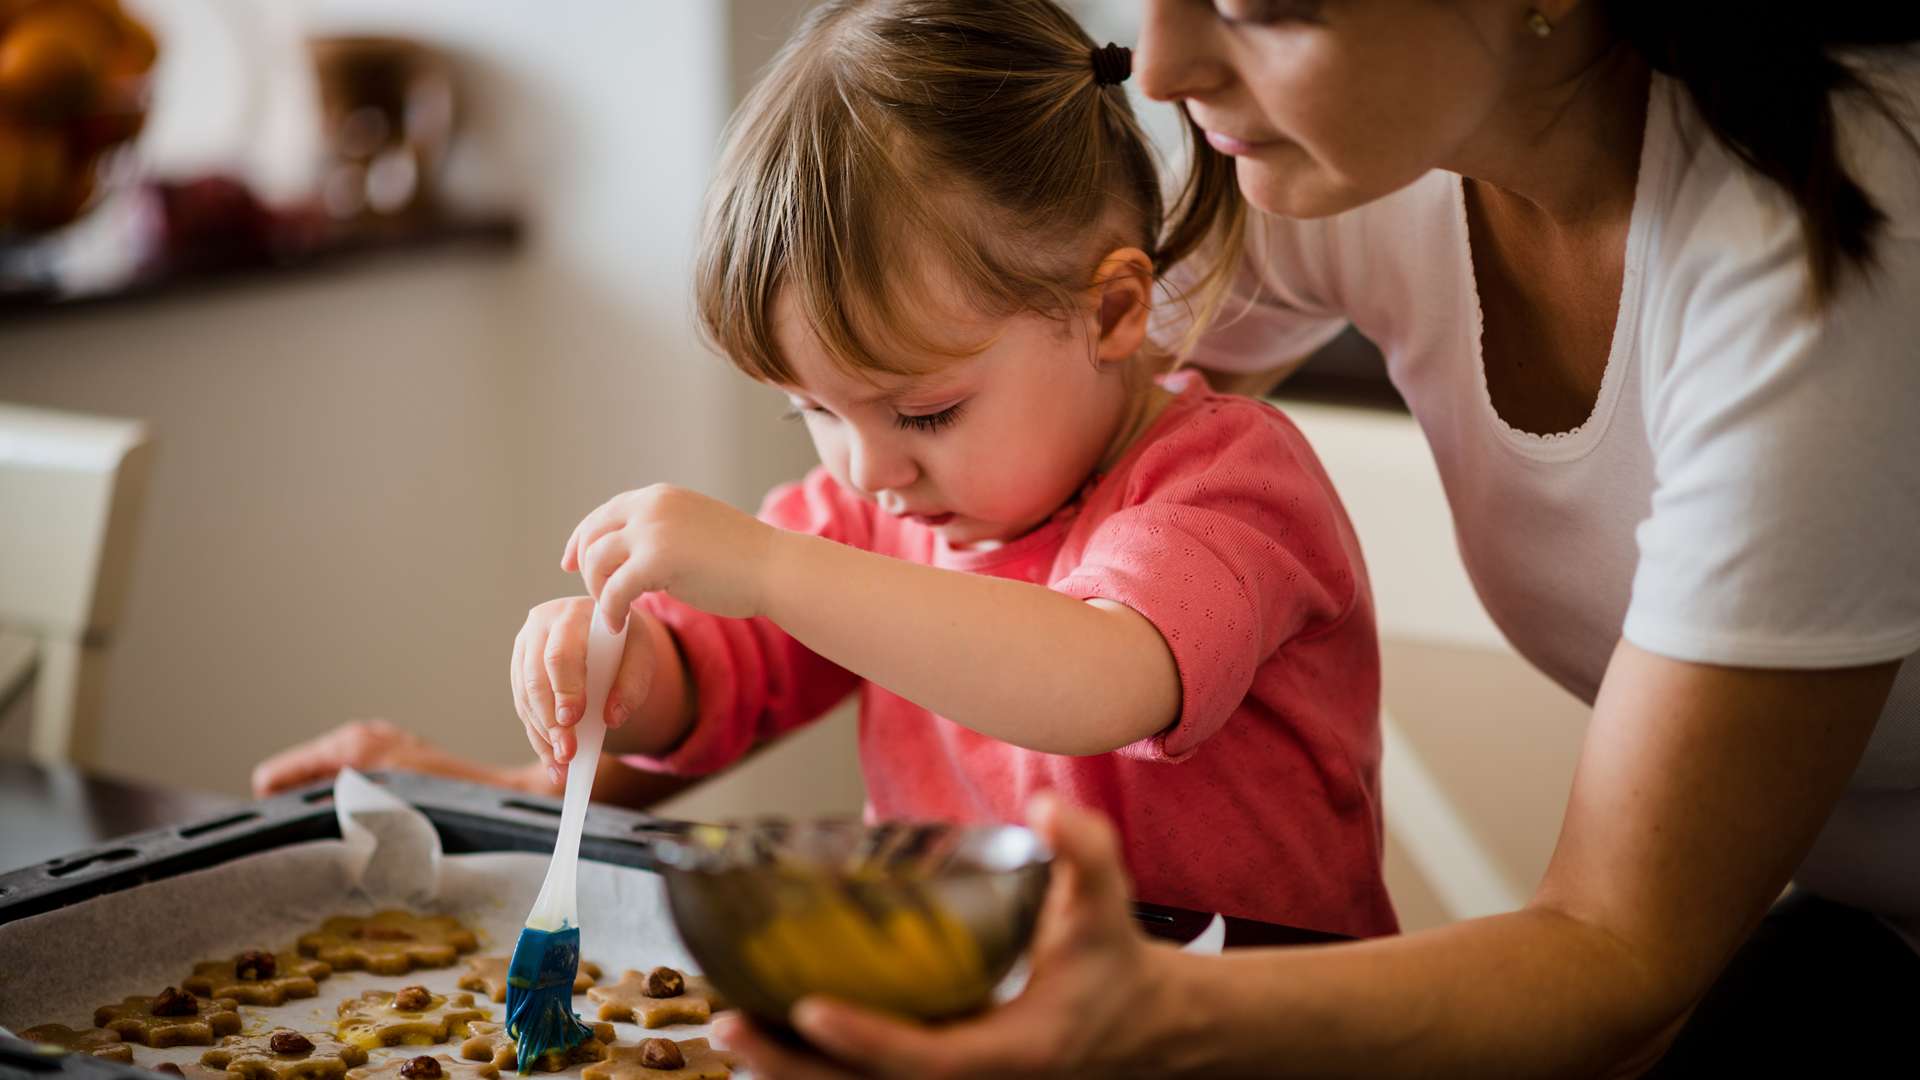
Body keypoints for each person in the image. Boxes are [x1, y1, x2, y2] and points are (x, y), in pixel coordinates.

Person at [714, 1, 1920, 1076]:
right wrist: (654, 684)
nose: (1161, 67)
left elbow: (1616, 953)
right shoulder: (1358, 149)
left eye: (1261, 6)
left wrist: (1141, 1019)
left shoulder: (1825, 270)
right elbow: (1012, 404)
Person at [506, 0, 1396, 937]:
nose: (869, 470)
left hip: (1253, 1004)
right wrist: (623, 673)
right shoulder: (868, 514)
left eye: (925, 412)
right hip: (975, 997)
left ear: (1111, 312)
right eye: (815, 411)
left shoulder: (1230, 485)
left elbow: (1101, 681)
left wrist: (770, 567)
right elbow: (720, 674)